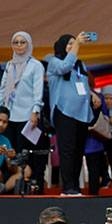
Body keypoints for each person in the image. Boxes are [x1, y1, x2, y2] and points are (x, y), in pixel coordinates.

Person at [48, 32, 102, 196]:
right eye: (69, 44)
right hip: (64, 112)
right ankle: (68, 187)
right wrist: (78, 43)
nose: (73, 46)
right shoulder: (54, 62)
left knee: (79, 150)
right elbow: (65, 66)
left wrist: (92, 94)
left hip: (82, 114)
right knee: (67, 150)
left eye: (75, 43)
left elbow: (83, 83)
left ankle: (75, 187)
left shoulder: (80, 65)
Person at [1, 31, 46, 192]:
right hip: (9, 117)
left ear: (29, 44)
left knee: (27, 155)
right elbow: (2, 89)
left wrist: (35, 111)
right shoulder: (9, 65)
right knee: (11, 155)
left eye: (22, 42)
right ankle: (12, 188)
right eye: (16, 42)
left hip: (27, 117)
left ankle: (31, 189)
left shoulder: (35, 65)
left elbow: (38, 91)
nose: (19, 46)